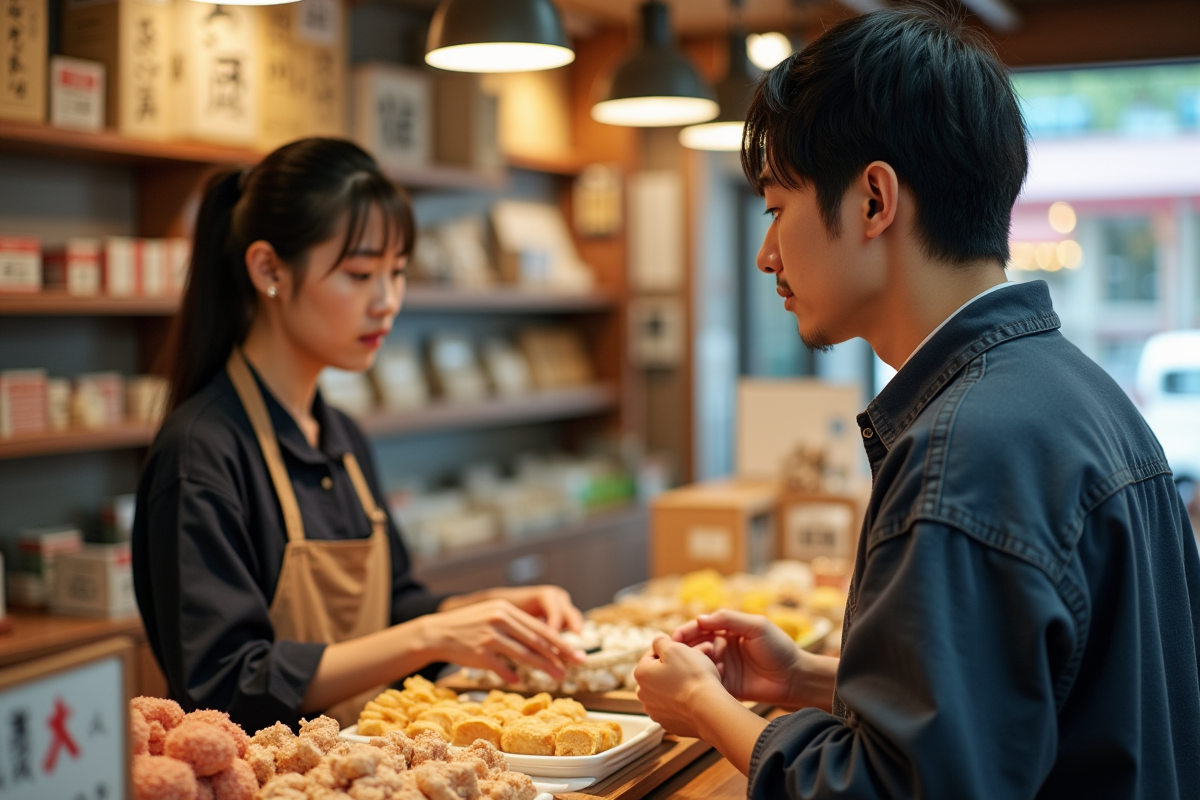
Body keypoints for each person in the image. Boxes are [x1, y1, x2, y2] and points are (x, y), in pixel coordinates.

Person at [634, 7, 1200, 799]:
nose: (767, 256)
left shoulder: (961, 448)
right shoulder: (1083, 393)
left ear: (873, 200)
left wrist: (703, 706)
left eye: (775, 210)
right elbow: (1023, 712)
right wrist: (803, 677)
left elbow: (895, 788)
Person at [132, 138, 585, 733]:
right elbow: (227, 683)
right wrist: (430, 635)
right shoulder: (202, 451)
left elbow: (394, 609)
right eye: (360, 273)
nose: (388, 301)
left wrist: (486, 612)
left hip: (360, 765)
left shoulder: (340, 434)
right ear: (269, 269)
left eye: (396, 273)